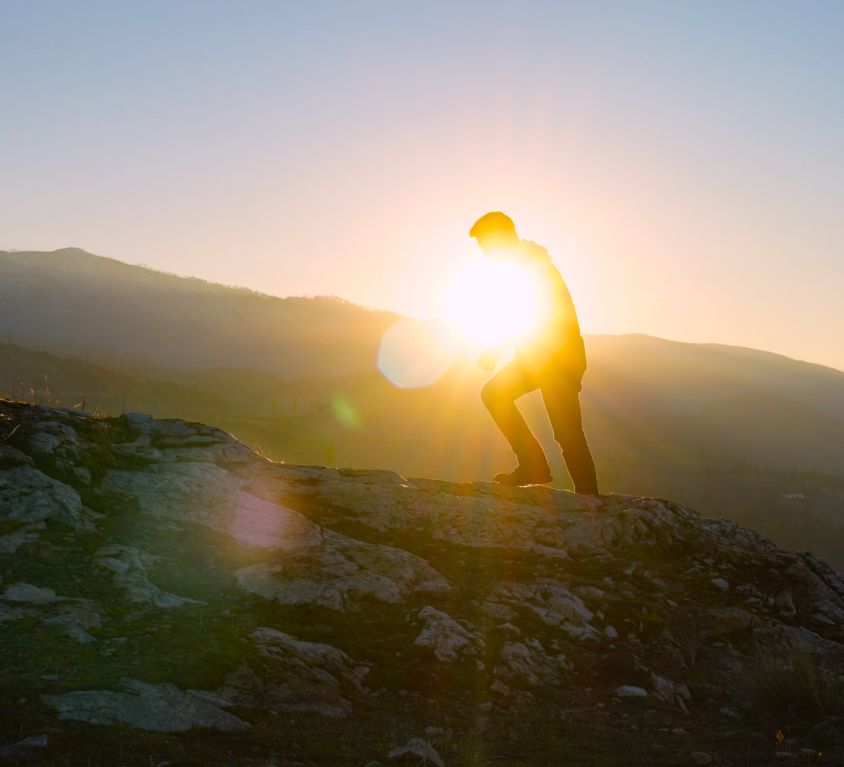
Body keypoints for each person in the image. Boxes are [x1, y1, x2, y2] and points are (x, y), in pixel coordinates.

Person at [470, 211, 600, 494]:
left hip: (558, 361)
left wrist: (497, 347)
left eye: (485, 245)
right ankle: (535, 466)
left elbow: (539, 315)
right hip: (539, 359)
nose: (484, 253)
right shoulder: (525, 265)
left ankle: (588, 498)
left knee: (567, 433)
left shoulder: (531, 267)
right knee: (495, 395)